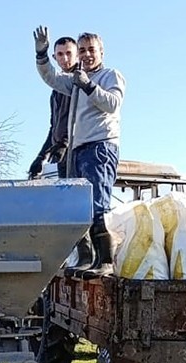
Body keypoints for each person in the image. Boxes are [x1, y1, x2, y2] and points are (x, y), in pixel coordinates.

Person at [33, 26, 126, 276]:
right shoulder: (74, 82)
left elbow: (113, 103)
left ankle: (106, 260)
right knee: (78, 208)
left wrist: (88, 86)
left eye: (91, 50)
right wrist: (41, 53)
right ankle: (89, 260)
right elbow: (51, 78)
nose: (86, 55)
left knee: (97, 204)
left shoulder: (109, 75)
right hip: (77, 149)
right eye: (82, 50)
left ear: (101, 52)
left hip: (100, 146)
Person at [28, 36, 78, 179]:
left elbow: (78, 121)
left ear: (77, 55)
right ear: (54, 57)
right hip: (58, 155)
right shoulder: (55, 91)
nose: (65, 58)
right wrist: (41, 156)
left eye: (69, 53)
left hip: (76, 152)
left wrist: (66, 144)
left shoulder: (80, 83)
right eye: (60, 54)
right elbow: (54, 128)